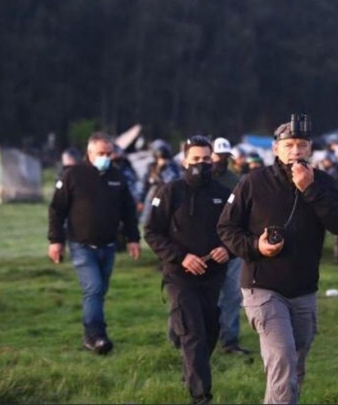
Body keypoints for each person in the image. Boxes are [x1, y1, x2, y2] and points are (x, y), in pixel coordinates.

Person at [217, 114, 338, 404]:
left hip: (304, 288)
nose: (296, 151)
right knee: (282, 360)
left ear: (310, 148)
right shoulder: (253, 182)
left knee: (296, 361)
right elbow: (226, 228)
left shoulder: (325, 183)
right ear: (275, 148)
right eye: (289, 144)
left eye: (302, 144)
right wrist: (256, 246)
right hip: (262, 286)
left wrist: (310, 189)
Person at [144, 135, 232, 404]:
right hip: (179, 276)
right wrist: (181, 257)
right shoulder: (169, 192)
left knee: (209, 331)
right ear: (185, 161)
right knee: (193, 333)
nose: (202, 164)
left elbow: (235, 231)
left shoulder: (223, 194)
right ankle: (200, 395)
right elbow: (151, 231)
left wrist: (227, 249)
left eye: (207, 159)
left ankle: (191, 370)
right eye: (196, 159)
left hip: (213, 275)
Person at [48, 132, 141, 355]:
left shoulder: (117, 176)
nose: (106, 157)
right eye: (101, 153)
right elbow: (57, 209)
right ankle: (97, 336)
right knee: (94, 289)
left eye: (109, 153)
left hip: (108, 245)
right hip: (81, 245)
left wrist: (133, 238)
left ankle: (90, 334)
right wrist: (56, 240)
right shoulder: (73, 175)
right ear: (89, 153)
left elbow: (128, 210)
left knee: (99, 292)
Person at [211, 137, 252, 356]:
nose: (222, 161)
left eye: (225, 158)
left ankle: (229, 340)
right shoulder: (200, 180)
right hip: (205, 248)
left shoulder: (234, 181)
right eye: (219, 157)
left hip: (231, 246)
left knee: (232, 296)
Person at [140, 141, 182, 224]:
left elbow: (175, 180)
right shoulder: (152, 167)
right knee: (151, 217)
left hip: (169, 196)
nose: (162, 161)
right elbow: (146, 183)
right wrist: (141, 200)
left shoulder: (173, 167)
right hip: (155, 196)